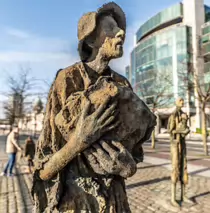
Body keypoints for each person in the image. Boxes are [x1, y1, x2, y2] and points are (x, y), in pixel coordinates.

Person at [32, 2, 156, 212]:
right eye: (110, 28)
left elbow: (133, 154)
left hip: (114, 201)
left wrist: (127, 166)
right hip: (77, 201)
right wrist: (79, 141)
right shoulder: (67, 79)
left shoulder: (122, 84)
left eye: (119, 28)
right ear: (90, 39)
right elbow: (44, 171)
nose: (121, 33)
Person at [168, 97, 193, 207]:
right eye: (180, 101)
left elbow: (185, 128)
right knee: (175, 168)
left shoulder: (183, 114)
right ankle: (173, 198)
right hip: (175, 145)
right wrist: (180, 129)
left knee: (184, 167)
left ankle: (183, 195)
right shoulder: (173, 115)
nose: (182, 103)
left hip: (182, 144)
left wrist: (185, 129)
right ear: (176, 102)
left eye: (183, 101)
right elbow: (170, 130)